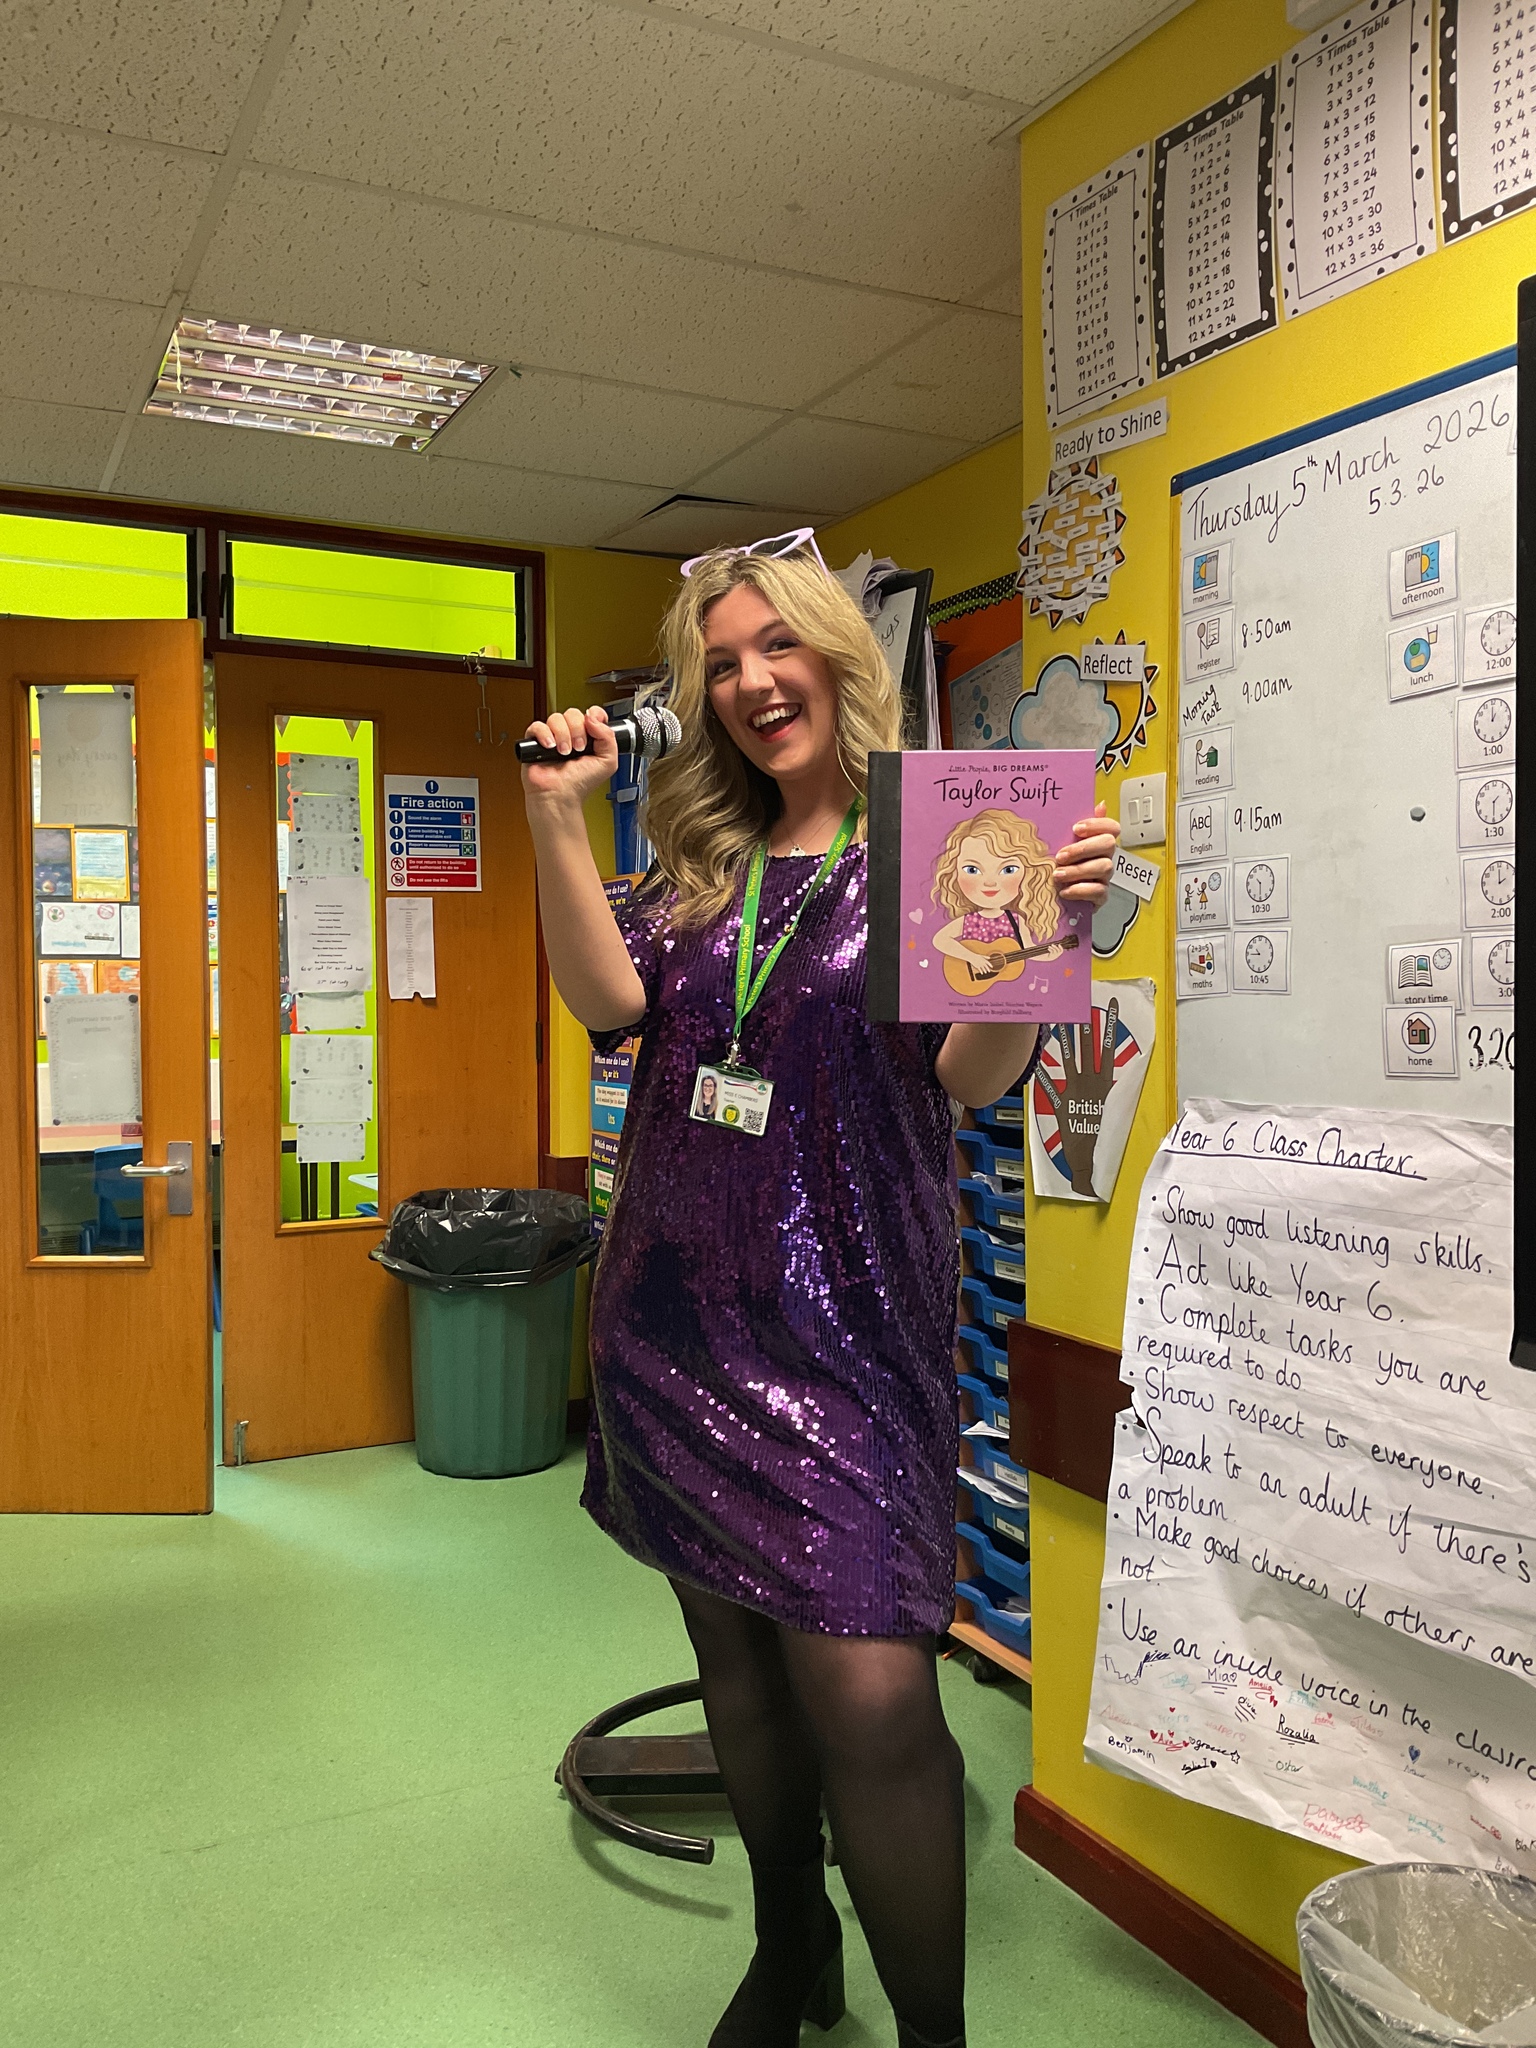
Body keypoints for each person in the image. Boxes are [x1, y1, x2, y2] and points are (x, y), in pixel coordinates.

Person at [520, 532, 1119, 2048]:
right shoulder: (699, 866)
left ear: (838, 658)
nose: (752, 682)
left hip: (850, 1342)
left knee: (876, 1702)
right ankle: (793, 1949)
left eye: (775, 646)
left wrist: (1048, 940)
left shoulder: (942, 840)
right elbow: (606, 1003)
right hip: (674, 1329)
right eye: (720, 663)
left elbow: (970, 1078)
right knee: (739, 1677)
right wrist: (554, 814)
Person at [930, 808, 1063, 981]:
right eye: (972, 870)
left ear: (1027, 874)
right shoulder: (970, 921)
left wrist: (1048, 956)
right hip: (970, 979)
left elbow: (1027, 950)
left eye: (1008, 869)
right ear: (955, 874)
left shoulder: (1015, 921)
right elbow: (939, 940)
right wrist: (973, 958)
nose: (990, 882)